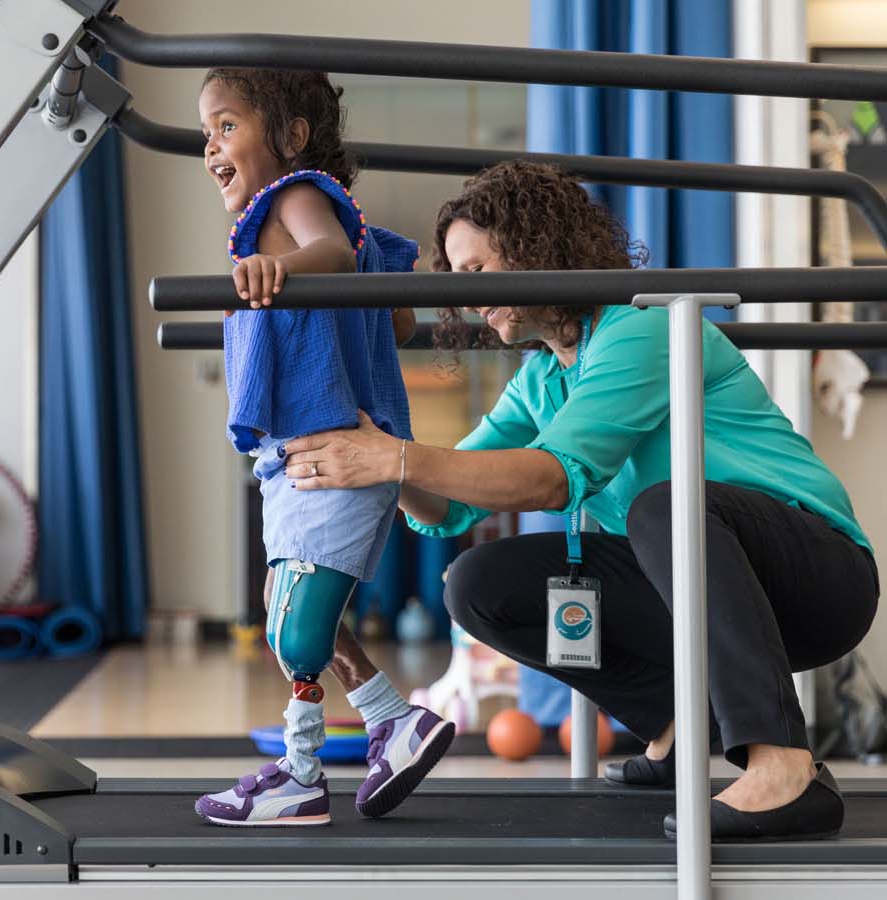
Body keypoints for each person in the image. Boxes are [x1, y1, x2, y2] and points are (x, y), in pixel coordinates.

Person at [282, 160, 879, 842]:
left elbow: (551, 480)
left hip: (815, 575)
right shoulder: (542, 376)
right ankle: (676, 727)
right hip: (697, 583)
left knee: (663, 506)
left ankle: (783, 768)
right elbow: (447, 509)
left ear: (538, 250)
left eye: (477, 273)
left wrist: (396, 457)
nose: (470, 298)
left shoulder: (642, 330)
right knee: (478, 584)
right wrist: (376, 451)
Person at [192, 68, 454, 827]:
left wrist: (282, 267)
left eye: (228, 125)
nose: (211, 145)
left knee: (296, 631)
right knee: (288, 608)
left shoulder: (300, 197)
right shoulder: (312, 221)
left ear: (293, 136)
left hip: (333, 451)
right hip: (297, 455)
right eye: (206, 132)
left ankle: (299, 774)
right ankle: (393, 721)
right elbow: (395, 322)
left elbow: (331, 255)